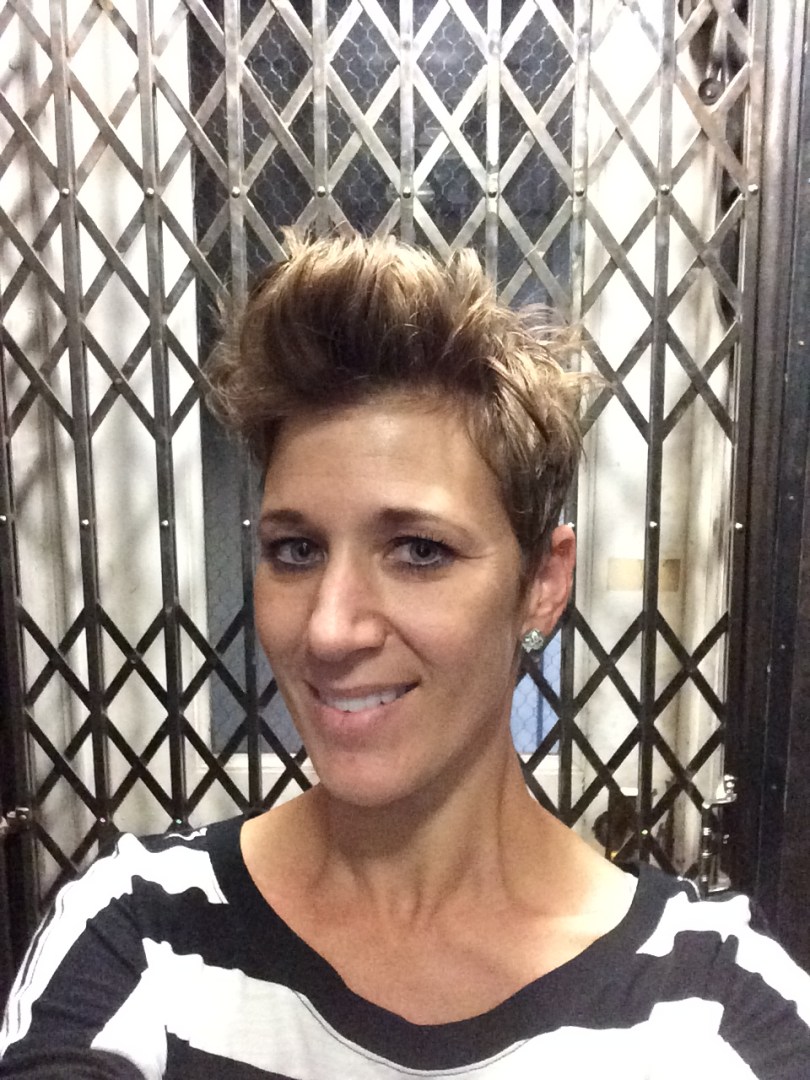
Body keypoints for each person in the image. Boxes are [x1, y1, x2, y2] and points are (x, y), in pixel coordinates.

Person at [2, 234, 810, 1079]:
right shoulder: (139, 940)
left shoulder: (716, 1008)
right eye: (295, 550)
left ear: (543, 582)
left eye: (420, 551)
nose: (329, 630)